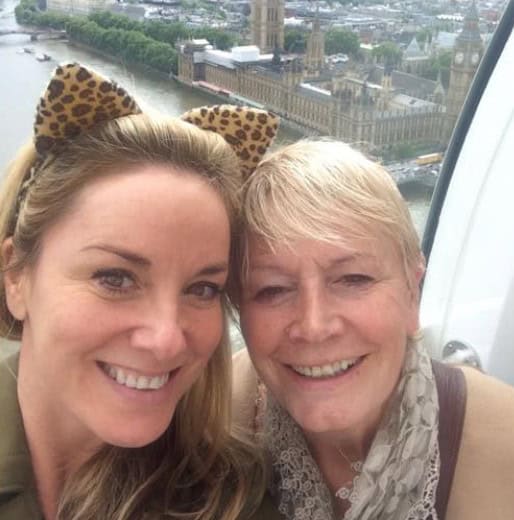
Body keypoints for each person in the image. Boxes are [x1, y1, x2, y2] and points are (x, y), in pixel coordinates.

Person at [0, 62, 282, 520]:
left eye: (202, 289)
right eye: (115, 278)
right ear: (15, 275)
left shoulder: (238, 503)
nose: (166, 339)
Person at [231, 139, 514, 520]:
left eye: (353, 279)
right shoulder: (208, 424)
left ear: (412, 293)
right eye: (273, 290)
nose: (314, 326)